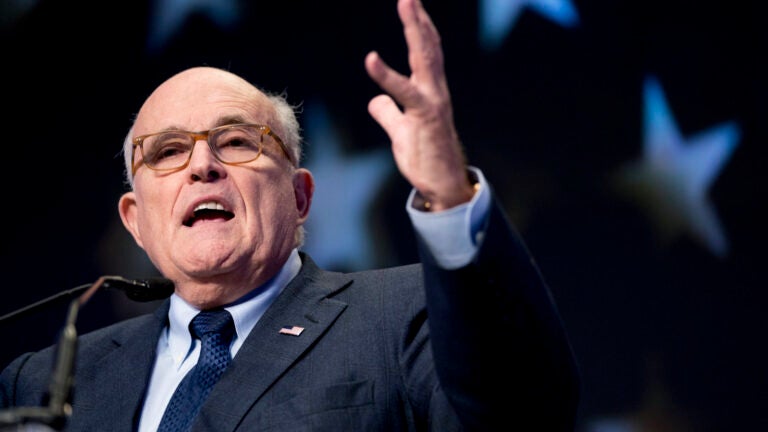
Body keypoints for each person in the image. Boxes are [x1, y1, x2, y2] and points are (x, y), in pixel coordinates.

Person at [1, 0, 579, 430]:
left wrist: (449, 195)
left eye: (236, 141)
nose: (202, 165)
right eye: (168, 151)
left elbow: (521, 410)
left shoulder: (405, 316)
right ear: (134, 220)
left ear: (300, 197)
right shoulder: (45, 382)